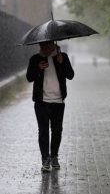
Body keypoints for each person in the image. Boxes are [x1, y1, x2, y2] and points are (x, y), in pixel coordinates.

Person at [26, 41, 74, 172]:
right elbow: (29, 78)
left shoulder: (62, 56)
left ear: (53, 44)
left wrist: (62, 63)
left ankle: (54, 157)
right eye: (42, 46)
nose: (44, 49)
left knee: (57, 130)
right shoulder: (35, 59)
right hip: (41, 103)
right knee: (43, 132)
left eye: (47, 46)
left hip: (58, 102)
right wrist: (38, 68)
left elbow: (71, 75)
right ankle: (45, 159)